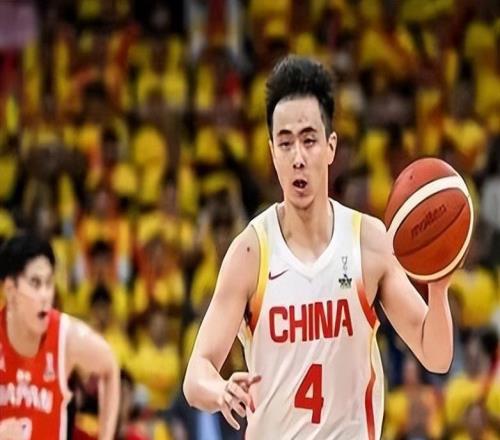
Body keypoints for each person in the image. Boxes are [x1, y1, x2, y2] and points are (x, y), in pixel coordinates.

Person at [183, 55, 455, 439]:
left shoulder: (368, 241)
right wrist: (220, 389)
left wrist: (438, 288)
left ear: (330, 147)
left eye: (309, 140)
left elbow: (436, 356)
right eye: (285, 143)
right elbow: (196, 374)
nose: (298, 157)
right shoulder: (251, 253)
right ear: (272, 152)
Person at [0, 233, 120, 440]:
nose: (45, 295)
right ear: (11, 290)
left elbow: (109, 366)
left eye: (49, 284)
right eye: (35, 283)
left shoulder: (67, 338)